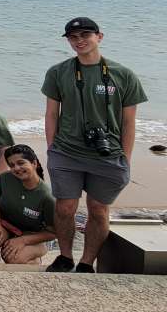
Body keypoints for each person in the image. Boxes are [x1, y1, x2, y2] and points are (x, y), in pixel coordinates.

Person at [42, 17, 147, 273]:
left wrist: (126, 157)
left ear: (99, 37)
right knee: (65, 207)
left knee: (98, 210)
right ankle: (65, 256)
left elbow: (129, 122)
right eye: (73, 37)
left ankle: (87, 262)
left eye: (85, 35)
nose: (79, 41)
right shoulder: (58, 72)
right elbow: (52, 114)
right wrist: (52, 148)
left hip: (107, 154)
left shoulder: (123, 75)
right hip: (66, 151)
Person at [0, 145, 57, 265]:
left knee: (13, 259)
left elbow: (53, 232)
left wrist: (23, 240)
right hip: (6, 226)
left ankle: (35, 258)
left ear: (34, 163)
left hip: (33, 235)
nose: (16, 168)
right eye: (12, 165)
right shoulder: (4, 179)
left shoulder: (47, 197)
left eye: (21, 163)